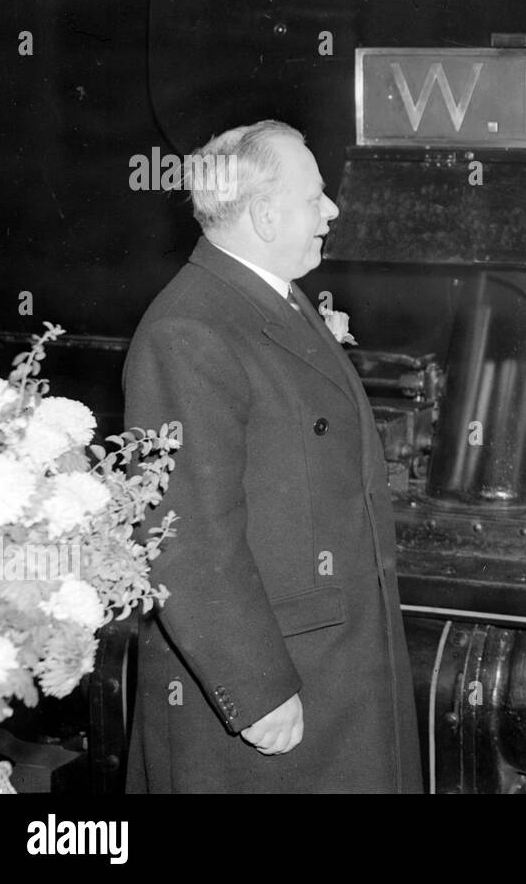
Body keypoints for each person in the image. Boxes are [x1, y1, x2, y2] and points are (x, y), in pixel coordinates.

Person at [123, 120, 421, 793]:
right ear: (262, 212)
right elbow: (186, 532)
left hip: (333, 662)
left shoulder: (269, 298)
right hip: (279, 681)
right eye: (316, 196)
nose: (332, 210)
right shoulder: (189, 330)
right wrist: (254, 689)